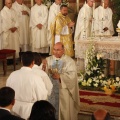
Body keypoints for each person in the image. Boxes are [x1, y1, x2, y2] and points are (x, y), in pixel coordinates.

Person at [42, 42, 80, 120]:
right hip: (51, 89)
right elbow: (42, 72)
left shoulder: (69, 61)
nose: (55, 52)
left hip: (63, 90)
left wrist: (61, 77)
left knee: (63, 109)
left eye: (58, 50)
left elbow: (72, 76)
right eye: (54, 50)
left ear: (63, 50)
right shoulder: (48, 59)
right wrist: (43, 66)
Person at [6, 51, 48, 119]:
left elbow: (8, 91)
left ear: (21, 61)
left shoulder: (13, 74)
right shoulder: (36, 77)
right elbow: (42, 95)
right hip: (29, 110)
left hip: (14, 108)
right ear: (33, 62)